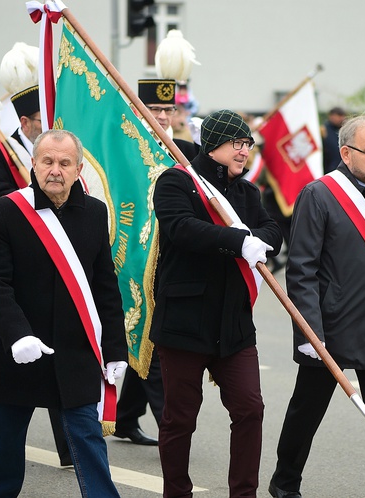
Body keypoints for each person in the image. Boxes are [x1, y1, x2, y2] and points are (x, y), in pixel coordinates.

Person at [269, 114, 365, 498]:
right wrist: (309, 333)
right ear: (346, 153)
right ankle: (285, 484)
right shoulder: (319, 194)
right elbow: (302, 270)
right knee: (307, 411)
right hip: (330, 328)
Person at [0, 129, 127, 497]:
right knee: (3, 446)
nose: (55, 170)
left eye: (64, 163)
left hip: (74, 353)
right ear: (33, 163)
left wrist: (115, 350)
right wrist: (17, 335)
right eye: (47, 161)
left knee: (88, 441)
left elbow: (105, 290)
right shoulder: (6, 210)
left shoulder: (95, 212)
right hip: (20, 351)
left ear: (78, 169)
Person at [151, 109, 282, 498]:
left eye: (247, 144)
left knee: (249, 409)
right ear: (214, 145)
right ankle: (177, 492)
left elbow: (272, 226)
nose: (244, 152)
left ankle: (243, 493)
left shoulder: (247, 191)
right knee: (179, 420)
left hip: (235, 324)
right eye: (237, 144)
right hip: (185, 321)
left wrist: (257, 236)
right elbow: (181, 228)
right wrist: (237, 239)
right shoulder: (176, 182)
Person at [0, 78, 72, 462]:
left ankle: (69, 450)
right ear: (25, 123)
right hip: (18, 254)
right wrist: (35, 192)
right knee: (7, 387)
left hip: (60, 266)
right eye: (40, 120)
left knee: (64, 379)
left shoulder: (59, 161)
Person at [112, 77, 202, 448]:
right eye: (156, 109)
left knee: (149, 335)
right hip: (133, 255)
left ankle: (125, 416)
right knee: (150, 332)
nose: (164, 116)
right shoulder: (122, 150)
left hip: (173, 255)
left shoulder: (184, 151)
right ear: (138, 111)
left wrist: (204, 148)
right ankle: (173, 426)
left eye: (170, 109)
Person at [322, 107, 347, 174]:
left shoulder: (344, 131)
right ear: (331, 116)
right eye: (339, 115)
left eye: (343, 116)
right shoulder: (323, 131)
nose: (342, 118)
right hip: (327, 170)